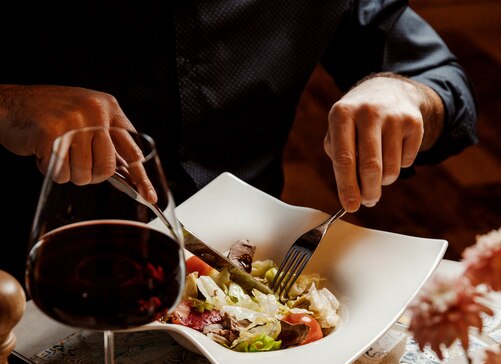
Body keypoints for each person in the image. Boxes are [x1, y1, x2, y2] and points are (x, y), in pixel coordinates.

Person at [0, 2, 477, 286]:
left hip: (247, 266)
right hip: (28, 282)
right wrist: (9, 107)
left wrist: (404, 93)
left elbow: (439, 80)